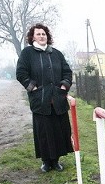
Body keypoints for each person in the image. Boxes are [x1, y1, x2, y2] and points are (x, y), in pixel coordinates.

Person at [16, 23, 74, 172]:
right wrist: (34, 88)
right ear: (32, 37)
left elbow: (67, 72)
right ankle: (46, 161)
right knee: (44, 131)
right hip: (40, 99)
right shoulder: (27, 53)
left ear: (47, 36)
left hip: (57, 99)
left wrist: (63, 87)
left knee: (59, 130)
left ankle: (56, 161)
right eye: (38, 34)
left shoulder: (56, 54)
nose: (42, 36)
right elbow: (21, 73)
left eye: (44, 34)